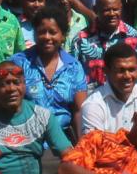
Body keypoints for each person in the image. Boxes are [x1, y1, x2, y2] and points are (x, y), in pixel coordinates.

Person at [10, 9, 88, 137]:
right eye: (41, 32)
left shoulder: (74, 68)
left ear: (63, 35)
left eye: (53, 32)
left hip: (63, 139)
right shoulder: (18, 64)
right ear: (34, 34)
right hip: (26, 139)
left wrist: (81, 148)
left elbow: (79, 110)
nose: (47, 37)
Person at [78, 44, 137, 134]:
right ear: (106, 71)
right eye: (120, 70)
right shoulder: (93, 105)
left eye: (132, 69)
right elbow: (95, 145)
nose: (127, 76)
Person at [70, 0, 137, 88]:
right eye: (106, 10)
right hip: (91, 98)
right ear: (95, 10)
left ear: (121, 8)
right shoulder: (80, 40)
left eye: (116, 9)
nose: (112, 14)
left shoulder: (135, 38)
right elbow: (73, 75)